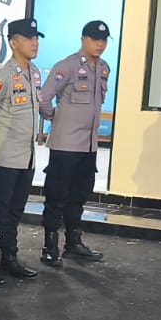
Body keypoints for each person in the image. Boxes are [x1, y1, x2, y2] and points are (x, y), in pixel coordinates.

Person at [0, 18, 45, 286]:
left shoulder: (34, 73)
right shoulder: (2, 76)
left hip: (26, 158)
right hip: (3, 159)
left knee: (14, 212)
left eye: (36, 38)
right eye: (28, 38)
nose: (34, 43)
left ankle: (9, 258)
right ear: (13, 43)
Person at [37, 20, 111, 268]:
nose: (100, 44)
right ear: (83, 39)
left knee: (78, 196)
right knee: (56, 197)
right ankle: (50, 247)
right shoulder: (66, 66)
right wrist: (54, 117)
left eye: (103, 40)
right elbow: (43, 98)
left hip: (88, 146)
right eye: (95, 39)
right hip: (65, 145)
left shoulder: (103, 68)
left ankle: (73, 244)